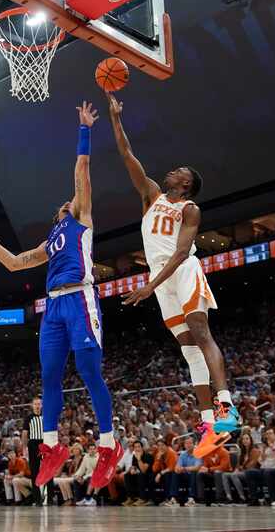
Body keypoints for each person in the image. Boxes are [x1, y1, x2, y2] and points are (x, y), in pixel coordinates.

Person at [0, 101, 121, 489]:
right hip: (54, 306)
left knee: (91, 373)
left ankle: (109, 445)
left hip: (80, 298)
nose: (71, 199)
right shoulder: (52, 239)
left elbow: (82, 171)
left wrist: (85, 129)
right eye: (67, 201)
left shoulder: (83, 220)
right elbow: (14, 263)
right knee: (49, 378)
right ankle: (53, 446)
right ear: (61, 211)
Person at [108, 94, 239, 459]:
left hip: (182, 272)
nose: (172, 171)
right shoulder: (151, 195)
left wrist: (149, 285)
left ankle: (227, 408)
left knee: (201, 331)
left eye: (179, 171)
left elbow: (182, 252)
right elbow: (127, 156)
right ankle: (210, 424)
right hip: (160, 281)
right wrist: (115, 118)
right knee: (187, 349)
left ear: (187, 184)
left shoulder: (190, 208)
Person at [220, 432, 260, 505]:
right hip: (242, 472)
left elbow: (252, 464)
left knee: (234, 475)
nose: (245, 440)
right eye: (243, 439)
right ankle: (229, 497)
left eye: (247, 439)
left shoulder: (255, 450)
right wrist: (236, 470)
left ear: (250, 440)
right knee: (225, 475)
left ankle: (242, 497)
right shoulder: (242, 452)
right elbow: (238, 466)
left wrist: (241, 468)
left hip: (251, 472)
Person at [22, 396, 46, 504]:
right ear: (32, 406)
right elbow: (24, 434)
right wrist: (24, 448)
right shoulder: (28, 418)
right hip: (33, 444)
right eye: (35, 404)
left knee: (46, 469)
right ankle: (37, 499)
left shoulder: (45, 417)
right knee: (35, 471)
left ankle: (47, 495)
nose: (37, 406)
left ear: (41, 405)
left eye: (39, 404)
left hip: (44, 444)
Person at [169, 437, 203, 507]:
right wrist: (177, 469)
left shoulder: (198, 453)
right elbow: (177, 467)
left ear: (194, 444)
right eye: (186, 443)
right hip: (185, 475)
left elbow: (196, 468)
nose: (188, 445)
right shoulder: (182, 454)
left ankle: (191, 499)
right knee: (175, 473)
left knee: (193, 473)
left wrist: (183, 468)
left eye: (190, 443)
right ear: (184, 445)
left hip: (195, 475)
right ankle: (173, 498)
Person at [123, 440, 153, 506]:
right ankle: (131, 498)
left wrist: (139, 459)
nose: (137, 449)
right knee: (127, 475)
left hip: (148, 476)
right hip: (139, 475)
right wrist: (132, 469)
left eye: (139, 447)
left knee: (141, 475)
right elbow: (134, 466)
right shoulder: (135, 456)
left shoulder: (148, 456)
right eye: (135, 447)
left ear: (142, 448)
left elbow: (143, 470)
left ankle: (142, 499)